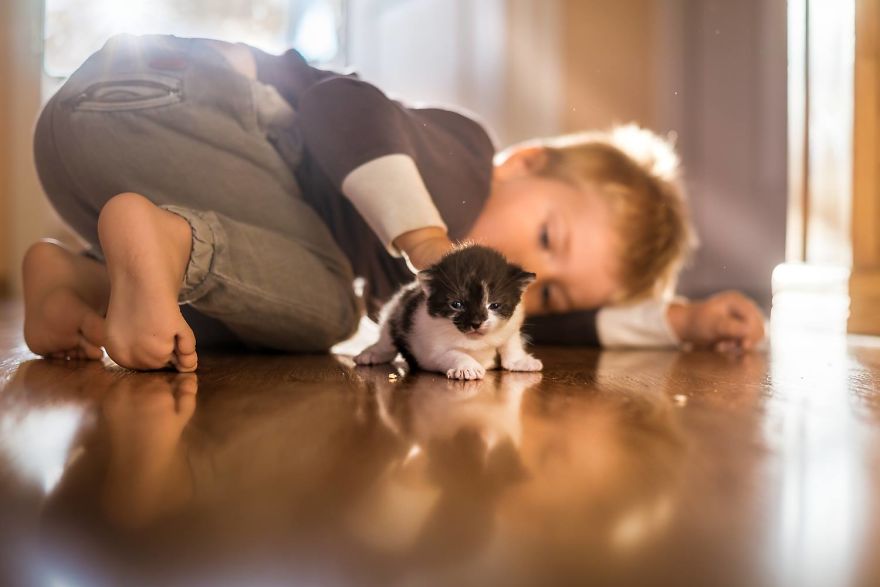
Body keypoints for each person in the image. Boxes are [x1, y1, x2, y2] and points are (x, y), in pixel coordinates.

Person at [22, 34, 765, 372]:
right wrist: (426, 237)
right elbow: (344, 104)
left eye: (552, 281)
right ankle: (164, 241)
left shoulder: (486, 286)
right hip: (179, 100)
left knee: (262, 309)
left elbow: (552, 321)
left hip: (79, 142)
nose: (522, 267)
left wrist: (681, 318)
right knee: (324, 307)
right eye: (546, 232)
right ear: (523, 163)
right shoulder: (461, 157)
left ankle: (79, 281)